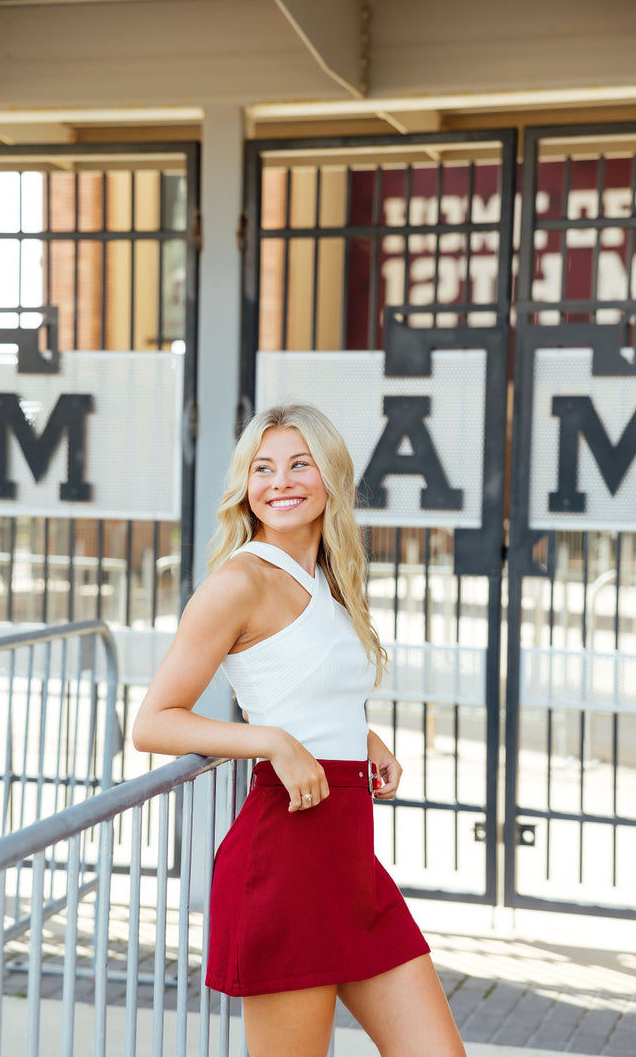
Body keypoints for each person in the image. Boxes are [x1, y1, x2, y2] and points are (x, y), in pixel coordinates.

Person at [132, 404, 466, 1057]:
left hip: (348, 858)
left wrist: (363, 740)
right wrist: (275, 742)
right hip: (285, 858)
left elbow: (305, 686)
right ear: (245, 485)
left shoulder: (327, 581)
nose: (279, 481)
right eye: (263, 467)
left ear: (330, 478)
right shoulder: (239, 581)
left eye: (298, 464)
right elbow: (154, 722)